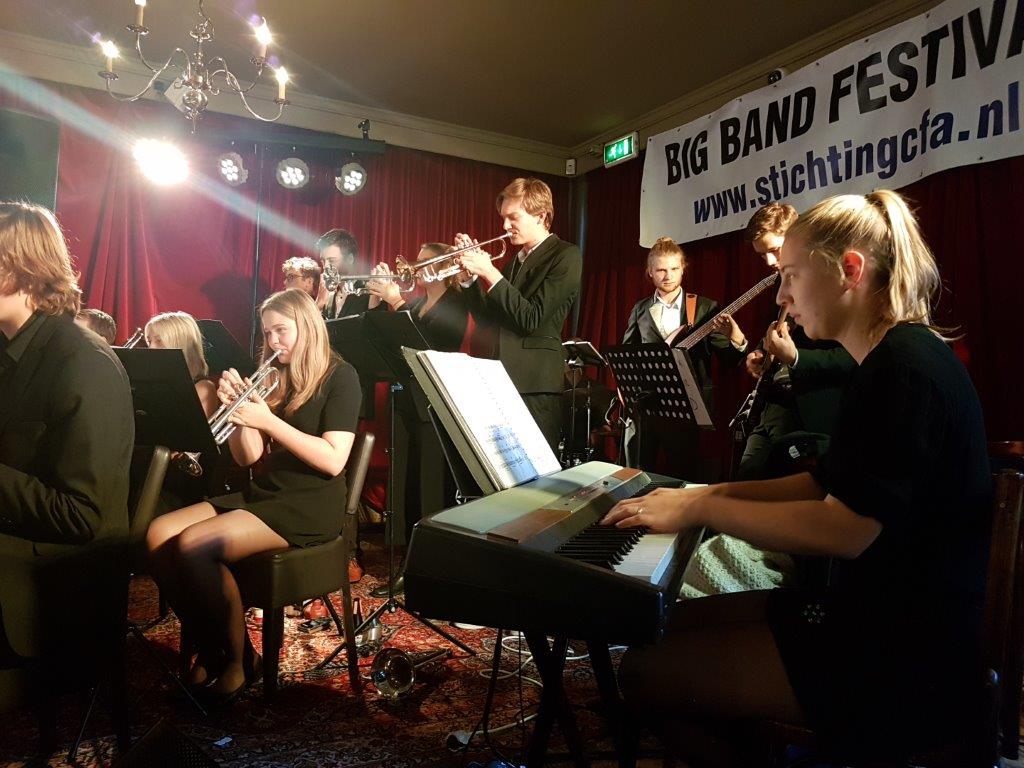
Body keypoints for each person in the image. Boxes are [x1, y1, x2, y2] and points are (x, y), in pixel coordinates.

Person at [605, 191, 992, 764]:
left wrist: (700, 510)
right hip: (870, 613)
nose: (781, 295)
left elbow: (846, 530)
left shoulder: (904, 369)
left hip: (906, 652)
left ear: (850, 271)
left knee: (641, 672)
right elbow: (822, 484)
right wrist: (708, 491)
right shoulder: (886, 359)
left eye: (790, 275)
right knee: (667, 625)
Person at [145, 288, 361, 703]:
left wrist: (268, 421)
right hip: (264, 493)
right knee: (157, 534)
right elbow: (248, 458)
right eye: (267, 333)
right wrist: (241, 415)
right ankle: (219, 648)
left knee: (193, 545)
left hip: (308, 503)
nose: (273, 341)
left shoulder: (340, 377)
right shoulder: (276, 376)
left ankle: (236, 662)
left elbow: (334, 460)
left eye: (282, 330)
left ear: (307, 327)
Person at [0, 202, 134, 710]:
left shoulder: (81, 361)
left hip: (61, 578)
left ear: (23, 271)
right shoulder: (11, 347)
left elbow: (81, 517)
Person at [364, 244, 470, 592]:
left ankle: (431, 570)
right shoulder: (417, 304)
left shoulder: (455, 306)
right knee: (407, 487)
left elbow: (429, 349)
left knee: (429, 488)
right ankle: (409, 565)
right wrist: (376, 300)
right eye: (417, 261)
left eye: (425, 261)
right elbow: (381, 340)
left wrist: (396, 302)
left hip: (434, 407)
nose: (415, 267)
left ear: (444, 268)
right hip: (407, 403)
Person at [454, 178, 581, 450]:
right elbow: (487, 321)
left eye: (513, 217)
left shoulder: (566, 255)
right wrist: (469, 280)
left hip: (535, 384)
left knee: (539, 469)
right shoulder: (515, 261)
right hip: (502, 379)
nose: (504, 226)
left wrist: (489, 272)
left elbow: (531, 319)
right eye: (503, 218)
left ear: (541, 216)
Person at [736, 203, 854, 481]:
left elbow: (853, 356)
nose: (769, 261)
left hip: (808, 415)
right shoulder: (779, 284)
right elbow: (778, 334)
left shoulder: (831, 283)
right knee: (746, 479)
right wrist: (760, 354)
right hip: (771, 406)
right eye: (761, 254)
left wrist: (796, 358)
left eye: (774, 249)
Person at [622, 236, 747, 478]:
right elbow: (628, 356)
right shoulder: (640, 309)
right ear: (650, 272)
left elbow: (729, 359)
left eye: (674, 269)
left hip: (688, 406)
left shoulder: (704, 307)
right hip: (648, 405)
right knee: (640, 472)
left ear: (683, 269)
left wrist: (737, 338)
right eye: (661, 270)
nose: (667, 276)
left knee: (683, 474)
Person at [142, 311, 221, 500]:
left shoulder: (203, 388)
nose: (151, 348)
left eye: (159, 341)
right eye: (149, 341)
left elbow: (188, 446)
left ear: (180, 345)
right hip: (151, 467)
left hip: (176, 481)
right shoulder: (152, 384)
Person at [315, 228, 369, 320]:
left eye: (332, 260)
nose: (325, 266)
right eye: (323, 261)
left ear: (350, 259)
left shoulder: (367, 290)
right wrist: (318, 305)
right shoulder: (327, 293)